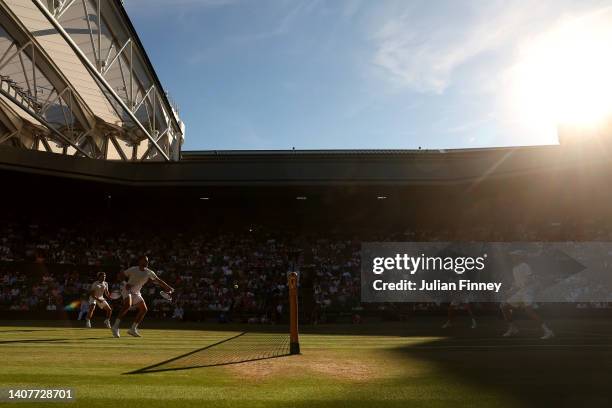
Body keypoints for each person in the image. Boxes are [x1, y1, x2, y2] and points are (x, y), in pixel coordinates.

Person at [111, 255, 174, 338]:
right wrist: (125, 283)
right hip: (127, 289)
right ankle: (115, 326)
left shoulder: (149, 272)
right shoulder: (133, 269)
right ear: (140, 261)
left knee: (144, 309)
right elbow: (120, 276)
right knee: (128, 305)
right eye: (144, 260)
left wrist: (168, 287)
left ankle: (132, 329)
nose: (146, 262)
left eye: (147, 261)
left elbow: (159, 281)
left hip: (136, 292)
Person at [501, 251, 554, 339]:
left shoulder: (524, 265)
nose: (512, 258)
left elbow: (530, 279)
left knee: (529, 311)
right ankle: (513, 328)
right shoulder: (514, 268)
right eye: (512, 256)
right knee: (504, 307)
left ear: (519, 257)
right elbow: (517, 284)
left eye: (514, 256)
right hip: (521, 291)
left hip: (528, 291)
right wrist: (510, 290)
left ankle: (548, 331)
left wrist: (528, 285)